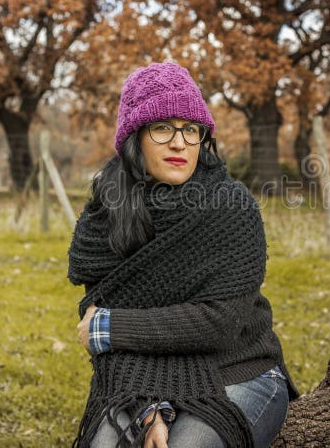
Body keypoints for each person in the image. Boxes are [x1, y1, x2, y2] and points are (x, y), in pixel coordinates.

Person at [67, 61, 300, 448]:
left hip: (235, 371)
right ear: (134, 136)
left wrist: (110, 328)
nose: (179, 143)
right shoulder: (107, 213)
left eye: (191, 129)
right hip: (136, 378)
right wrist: (147, 406)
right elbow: (104, 333)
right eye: (163, 127)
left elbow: (220, 323)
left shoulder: (231, 207)